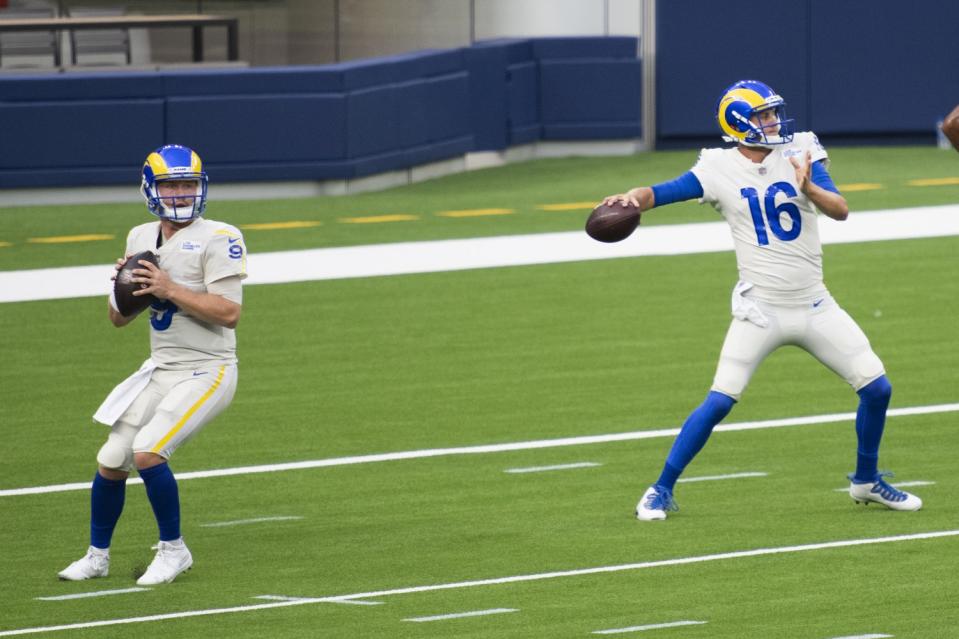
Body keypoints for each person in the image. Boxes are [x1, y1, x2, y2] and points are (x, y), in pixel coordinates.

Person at [601, 80, 922, 521]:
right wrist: (631, 198)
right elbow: (661, 192)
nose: (773, 121)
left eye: (773, 113)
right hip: (761, 310)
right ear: (739, 123)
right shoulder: (717, 167)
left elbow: (840, 209)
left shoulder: (801, 148)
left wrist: (809, 189)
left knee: (877, 388)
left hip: (815, 304)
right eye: (763, 115)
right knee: (719, 400)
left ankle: (865, 481)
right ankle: (659, 489)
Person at [58, 144, 247, 582]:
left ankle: (174, 551)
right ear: (150, 188)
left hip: (209, 368)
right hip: (162, 368)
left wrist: (166, 287)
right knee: (112, 458)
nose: (180, 194)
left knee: (148, 453)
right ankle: (97, 556)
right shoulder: (140, 236)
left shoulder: (221, 236)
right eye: (170, 185)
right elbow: (118, 319)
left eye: (187, 184)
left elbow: (228, 313)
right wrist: (127, 289)